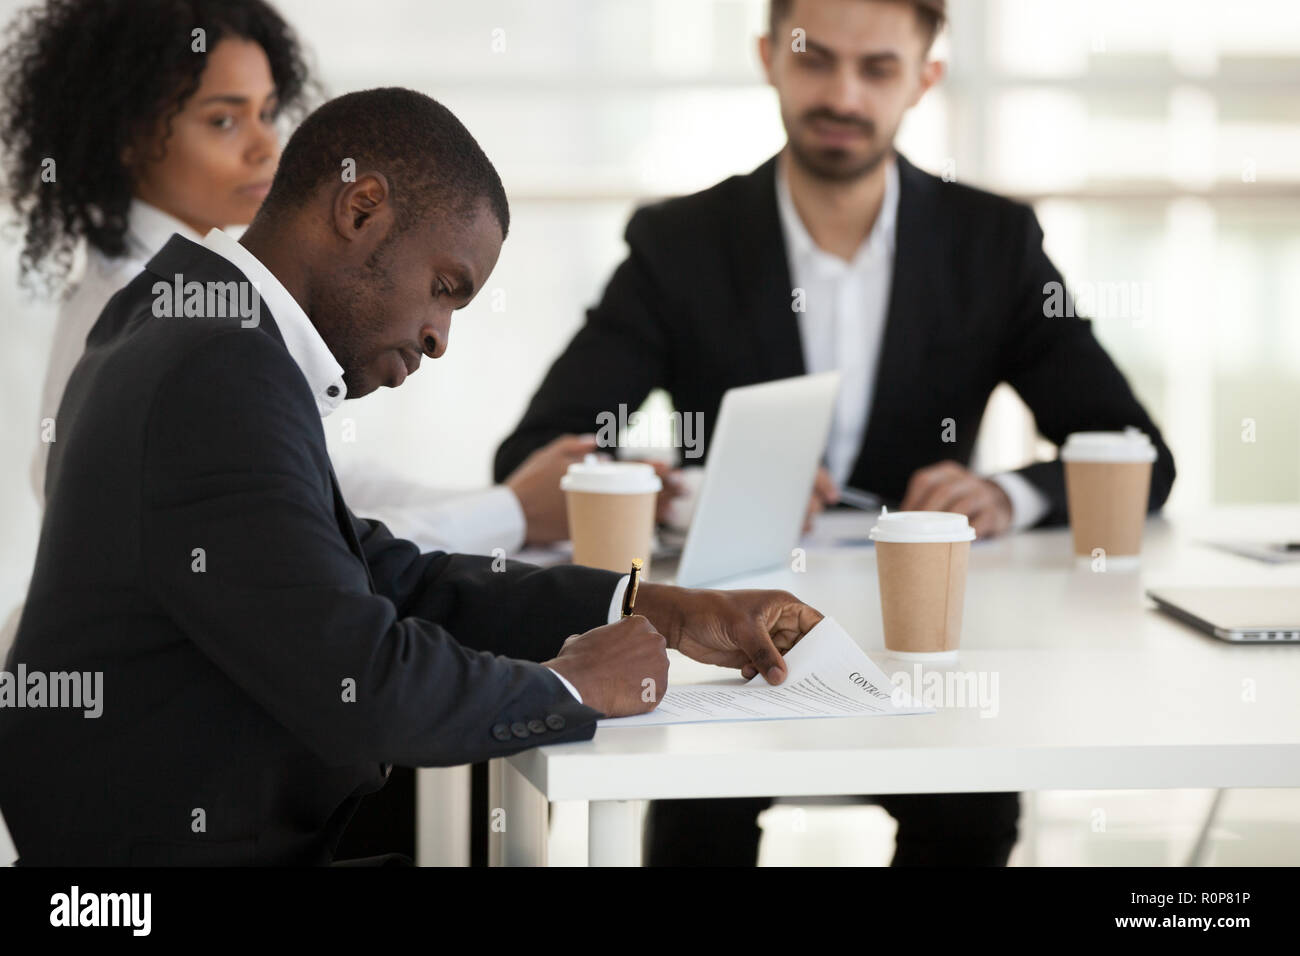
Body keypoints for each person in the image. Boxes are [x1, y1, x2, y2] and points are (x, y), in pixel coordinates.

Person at [0, 87, 824, 865]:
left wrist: (651, 608)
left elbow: (389, 577)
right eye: (444, 289)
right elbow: (370, 680)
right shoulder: (219, 369)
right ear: (361, 210)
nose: (438, 338)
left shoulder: (183, 314)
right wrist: (570, 687)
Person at [493, 0, 1175, 865]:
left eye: (878, 69)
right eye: (816, 60)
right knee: (695, 815)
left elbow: (1134, 447)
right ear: (769, 56)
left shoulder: (990, 241)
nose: (843, 94)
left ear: (926, 78)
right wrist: (677, 491)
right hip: (727, 626)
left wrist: (1008, 493)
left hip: (926, 637)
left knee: (971, 812)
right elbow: (536, 451)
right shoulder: (682, 243)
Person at [1, 0, 585, 558]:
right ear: (126, 138)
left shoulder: (211, 292)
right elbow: (290, 549)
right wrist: (509, 512)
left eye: (267, 113)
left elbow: (324, 485)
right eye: (224, 120)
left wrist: (508, 506)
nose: (265, 147)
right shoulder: (149, 312)